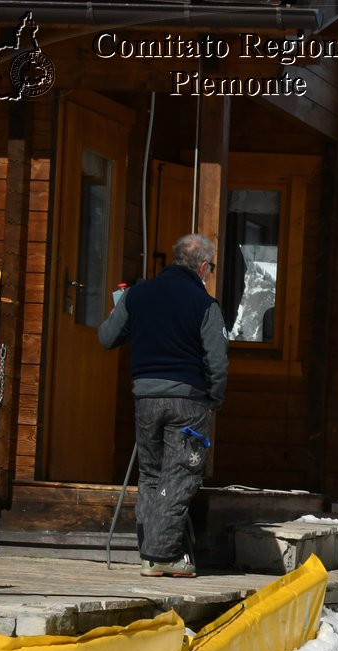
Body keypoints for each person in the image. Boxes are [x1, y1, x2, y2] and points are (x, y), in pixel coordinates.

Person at [98, 233, 228, 578]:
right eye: (210, 268)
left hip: (145, 397)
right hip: (187, 401)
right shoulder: (205, 304)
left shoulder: (137, 295)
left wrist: (122, 307)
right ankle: (163, 555)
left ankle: (150, 553)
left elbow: (107, 337)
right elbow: (217, 360)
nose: (209, 273)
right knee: (181, 475)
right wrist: (215, 398)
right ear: (202, 266)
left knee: (152, 475)